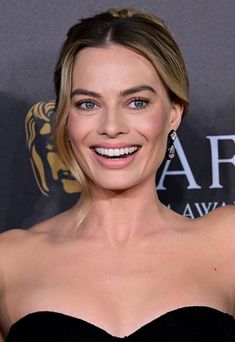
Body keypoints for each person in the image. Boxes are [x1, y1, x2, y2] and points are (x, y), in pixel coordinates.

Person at [0, 7, 235, 341]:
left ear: (174, 113)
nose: (111, 127)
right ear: (66, 118)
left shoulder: (227, 244)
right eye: (88, 104)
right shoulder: (9, 263)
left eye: (136, 102)